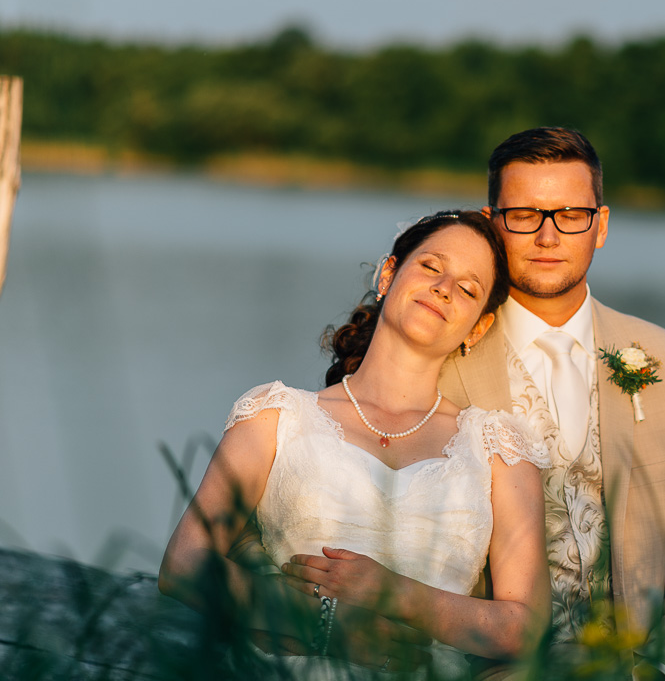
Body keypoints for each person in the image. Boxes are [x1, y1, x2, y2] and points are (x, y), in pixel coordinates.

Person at [288, 129, 665, 680]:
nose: (548, 235)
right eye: (524, 214)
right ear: (492, 221)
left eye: (571, 214)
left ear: (600, 225)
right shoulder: (436, 349)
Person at [159, 210, 553, 678]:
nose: (445, 287)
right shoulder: (275, 415)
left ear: (479, 328)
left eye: (468, 289)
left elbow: (524, 628)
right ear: (389, 274)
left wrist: (394, 593)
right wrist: (325, 625)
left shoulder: (499, 449)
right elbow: (184, 563)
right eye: (431, 266)